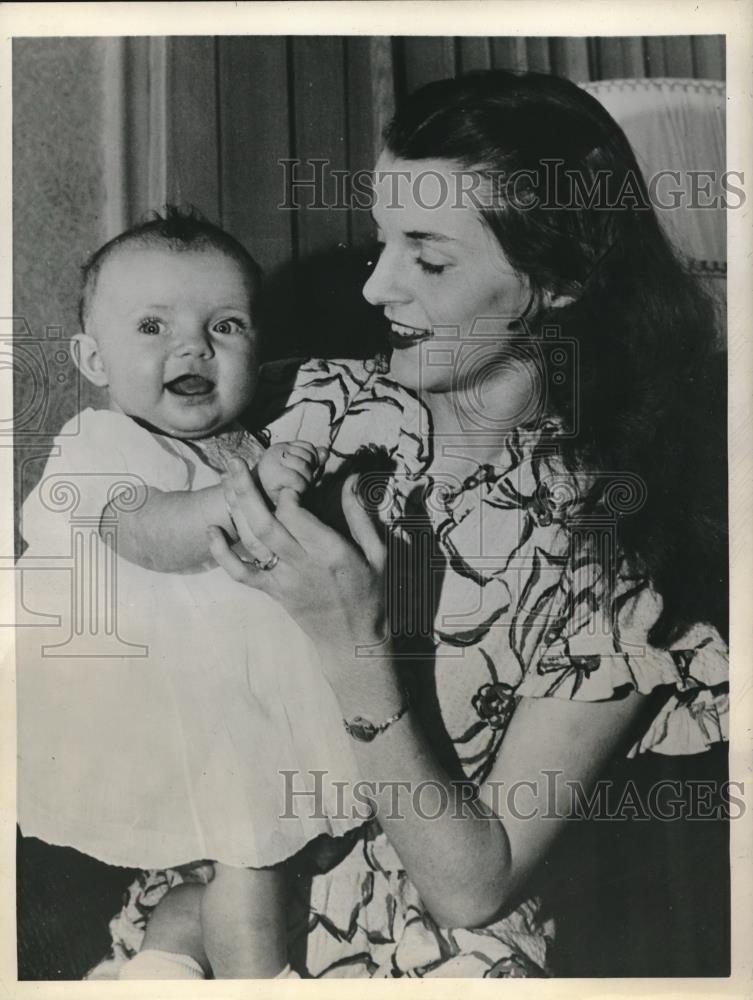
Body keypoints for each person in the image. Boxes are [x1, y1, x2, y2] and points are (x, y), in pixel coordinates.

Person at [90, 69, 728, 978]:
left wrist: (350, 639)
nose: (377, 289)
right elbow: (97, 498)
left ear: (559, 280)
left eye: (428, 259)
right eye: (382, 241)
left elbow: (472, 888)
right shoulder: (295, 403)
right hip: (222, 900)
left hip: (437, 954)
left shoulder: (613, 550)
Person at [16, 209, 376, 980]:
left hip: (247, 695)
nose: (192, 347)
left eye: (227, 325)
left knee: (226, 866)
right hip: (175, 705)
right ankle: (259, 983)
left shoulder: (248, 444)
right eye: (152, 325)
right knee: (253, 852)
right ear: (92, 358)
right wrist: (240, 501)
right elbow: (144, 530)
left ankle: (160, 968)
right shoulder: (97, 445)